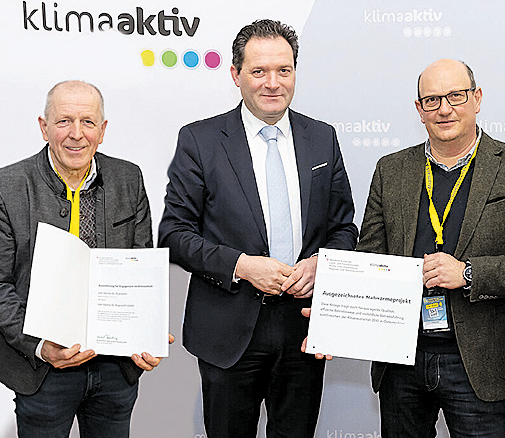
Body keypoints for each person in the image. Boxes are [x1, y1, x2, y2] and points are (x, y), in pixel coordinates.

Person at [157, 19, 358, 438]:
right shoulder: (200, 140)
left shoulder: (322, 138)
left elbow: (343, 227)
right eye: (259, 71)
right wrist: (243, 266)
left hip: (304, 326)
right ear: (236, 75)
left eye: (283, 70)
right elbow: (174, 234)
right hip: (227, 330)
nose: (272, 83)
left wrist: (323, 262)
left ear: (295, 73)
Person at [359, 59, 505, 438]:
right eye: (432, 100)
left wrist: (467, 273)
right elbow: (369, 257)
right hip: (402, 359)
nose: (444, 109)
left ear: (477, 98)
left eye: (455, 96)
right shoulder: (390, 169)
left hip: (479, 362)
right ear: (419, 110)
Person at [0, 80, 167, 438]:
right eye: (64, 121)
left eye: (88, 122)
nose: (76, 135)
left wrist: (149, 332)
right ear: (43, 126)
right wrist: (39, 347)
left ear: (103, 130)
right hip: (43, 370)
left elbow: (142, 268)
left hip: (116, 369)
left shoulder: (129, 178)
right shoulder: (5, 186)